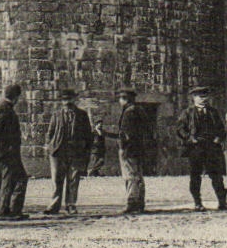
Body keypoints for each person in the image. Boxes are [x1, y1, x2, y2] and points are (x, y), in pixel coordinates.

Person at [176, 86, 227, 212]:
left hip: (211, 147)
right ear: (194, 98)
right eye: (201, 97)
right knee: (195, 176)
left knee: (217, 176)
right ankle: (197, 203)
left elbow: (222, 128)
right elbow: (180, 129)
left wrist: (218, 138)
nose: (204, 99)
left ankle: (222, 202)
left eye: (205, 96)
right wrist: (190, 139)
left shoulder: (213, 112)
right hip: (196, 148)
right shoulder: (187, 113)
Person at [43, 87, 95, 215]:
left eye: (69, 99)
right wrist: (49, 146)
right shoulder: (56, 115)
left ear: (74, 99)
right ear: (62, 101)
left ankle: (71, 204)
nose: (67, 102)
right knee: (56, 179)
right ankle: (54, 204)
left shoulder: (82, 115)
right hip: (58, 151)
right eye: (64, 100)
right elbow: (50, 132)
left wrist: (86, 150)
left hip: (76, 151)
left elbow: (88, 134)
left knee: (73, 179)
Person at [100, 88, 148, 215]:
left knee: (130, 176)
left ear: (125, 99)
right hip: (138, 148)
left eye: (121, 98)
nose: (120, 101)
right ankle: (140, 203)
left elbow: (125, 135)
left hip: (128, 149)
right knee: (138, 176)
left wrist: (105, 133)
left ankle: (132, 203)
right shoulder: (140, 110)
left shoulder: (128, 113)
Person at [0, 85, 29, 221]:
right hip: (8, 153)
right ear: (16, 97)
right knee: (14, 180)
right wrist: (7, 147)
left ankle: (10, 210)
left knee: (14, 179)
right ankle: (7, 211)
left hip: (8, 152)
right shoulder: (5, 109)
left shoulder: (5, 108)